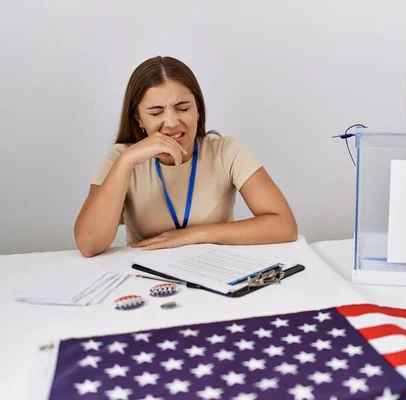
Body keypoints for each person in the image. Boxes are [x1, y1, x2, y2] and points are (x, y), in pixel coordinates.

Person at [74, 56, 298, 257]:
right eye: (156, 112)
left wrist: (192, 235)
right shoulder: (119, 159)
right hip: (147, 277)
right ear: (138, 118)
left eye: (183, 109)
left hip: (215, 270)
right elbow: (89, 244)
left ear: (198, 110)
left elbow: (284, 226)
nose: (171, 122)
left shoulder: (227, 151)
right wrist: (126, 161)